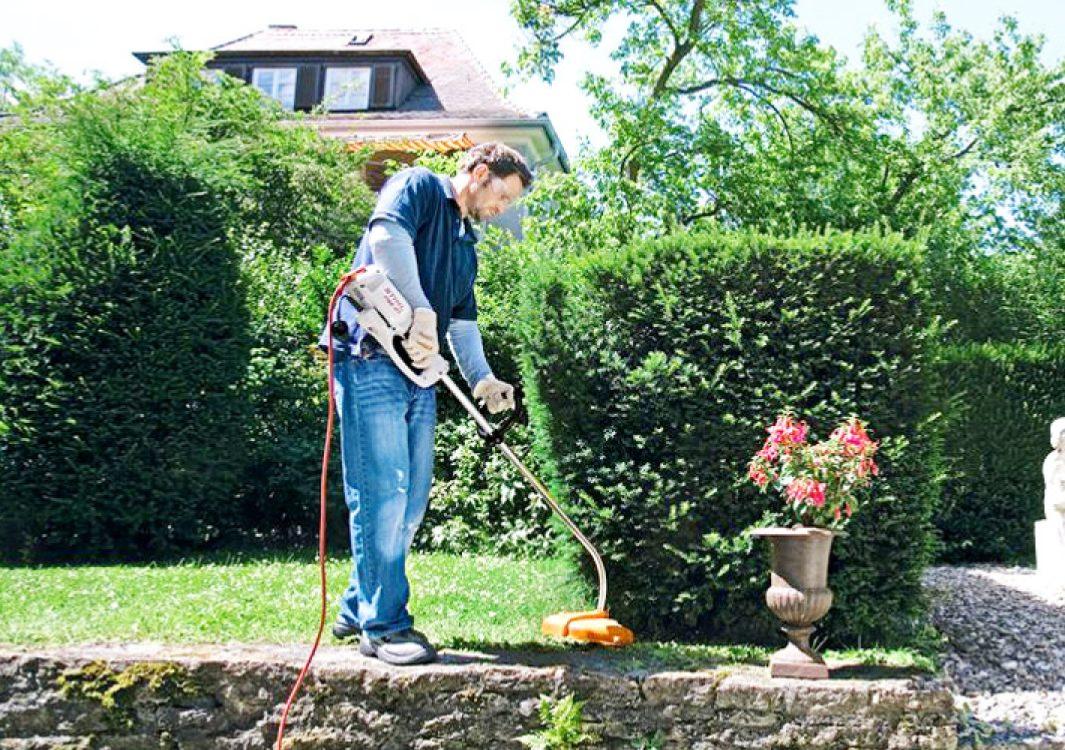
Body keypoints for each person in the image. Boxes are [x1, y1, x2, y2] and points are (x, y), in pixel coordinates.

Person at [317, 142, 533, 665]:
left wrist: (482, 380)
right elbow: (386, 237)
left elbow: (461, 323)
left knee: (410, 503)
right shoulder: (417, 186)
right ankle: (384, 627)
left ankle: (355, 605)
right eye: (502, 195)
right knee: (381, 495)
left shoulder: (465, 245)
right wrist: (417, 309)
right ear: (480, 173)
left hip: (417, 374)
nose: (502, 208)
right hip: (369, 358)